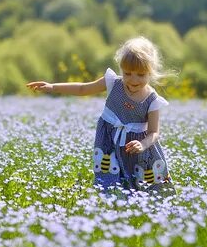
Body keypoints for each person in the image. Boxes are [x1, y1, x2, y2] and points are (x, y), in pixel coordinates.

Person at [26, 36, 174, 195]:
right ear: (121, 69)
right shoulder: (113, 83)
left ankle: (149, 205)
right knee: (108, 174)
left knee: (143, 183)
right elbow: (83, 89)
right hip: (109, 139)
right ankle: (111, 202)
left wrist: (143, 144)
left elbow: (154, 132)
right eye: (127, 73)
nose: (133, 79)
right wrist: (53, 87)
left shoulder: (152, 100)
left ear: (150, 72)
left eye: (140, 74)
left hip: (137, 146)